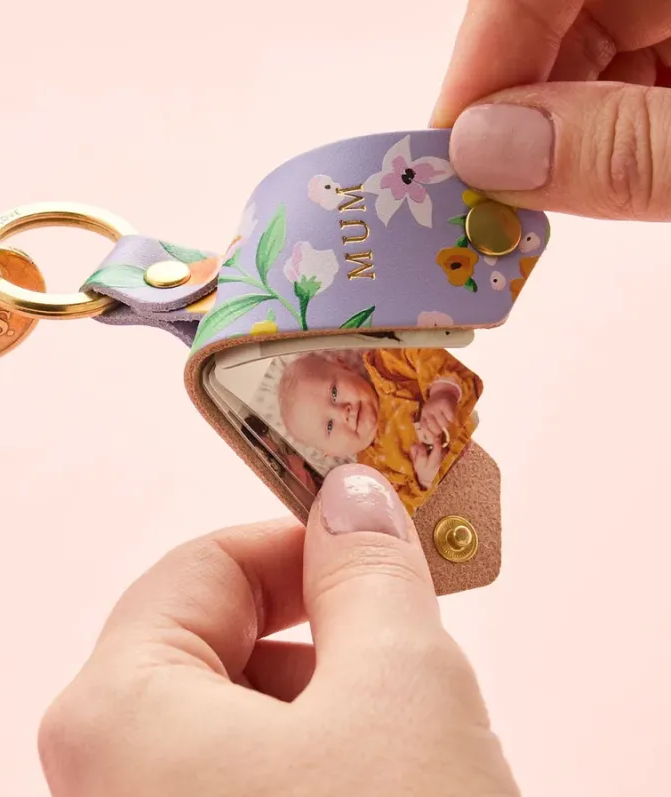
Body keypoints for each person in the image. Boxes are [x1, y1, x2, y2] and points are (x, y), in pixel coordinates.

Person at [37, 3, 671, 795]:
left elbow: (448, 386)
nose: (347, 412)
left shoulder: (395, 379)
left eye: (338, 390)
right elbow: (422, 446)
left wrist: (439, 404)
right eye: (333, 425)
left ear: (347, 365)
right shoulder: (374, 469)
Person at [277, 349, 481, 512]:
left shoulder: (388, 367)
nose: (342, 412)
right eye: (329, 426)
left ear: (344, 366)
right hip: (462, 487)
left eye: (334, 392)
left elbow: (427, 352)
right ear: (331, 452)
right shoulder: (371, 478)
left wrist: (443, 391)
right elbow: (403, 513)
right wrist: (424, 480)